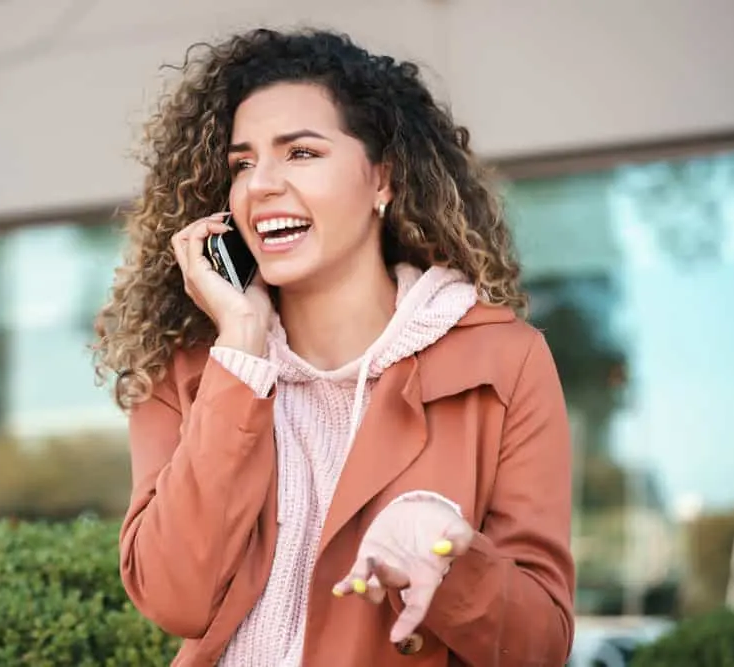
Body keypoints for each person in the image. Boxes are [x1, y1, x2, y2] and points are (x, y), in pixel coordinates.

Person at [94, 27, 575, 667]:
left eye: (300, 153)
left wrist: (451, 558)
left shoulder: (502, 361)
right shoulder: (186, 371)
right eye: (242, 163)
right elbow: (174, 597)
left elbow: (540, 644)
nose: (260, 184)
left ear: (383, 179)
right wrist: (240, 349)